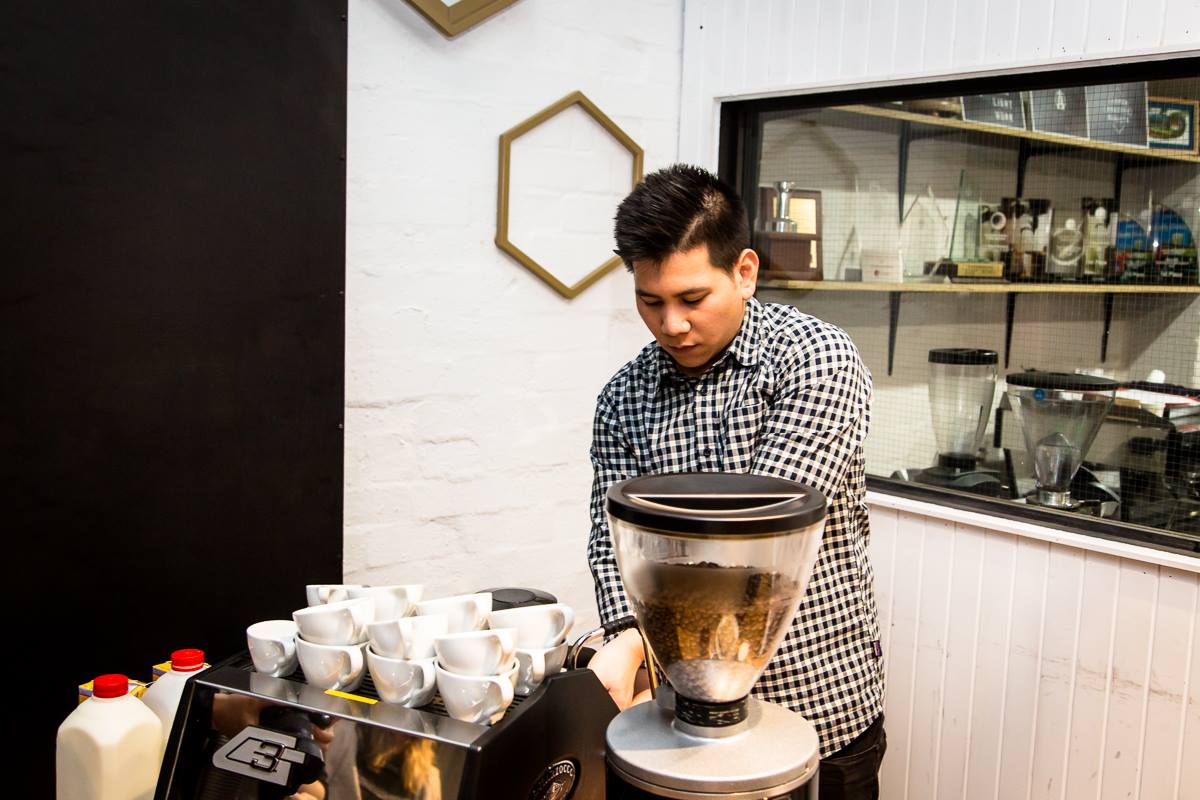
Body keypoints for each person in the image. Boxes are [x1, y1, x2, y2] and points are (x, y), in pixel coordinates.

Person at [586, 164, 887, 799]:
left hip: (815, 702)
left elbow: (752, 544)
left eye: (692, 299)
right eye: (650, 301)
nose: (671, 325)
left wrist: (653, 604)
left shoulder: (815, 357)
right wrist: (622, 641)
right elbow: (610, 539)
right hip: (680, 723)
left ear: (744, 272)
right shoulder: (623, 397)